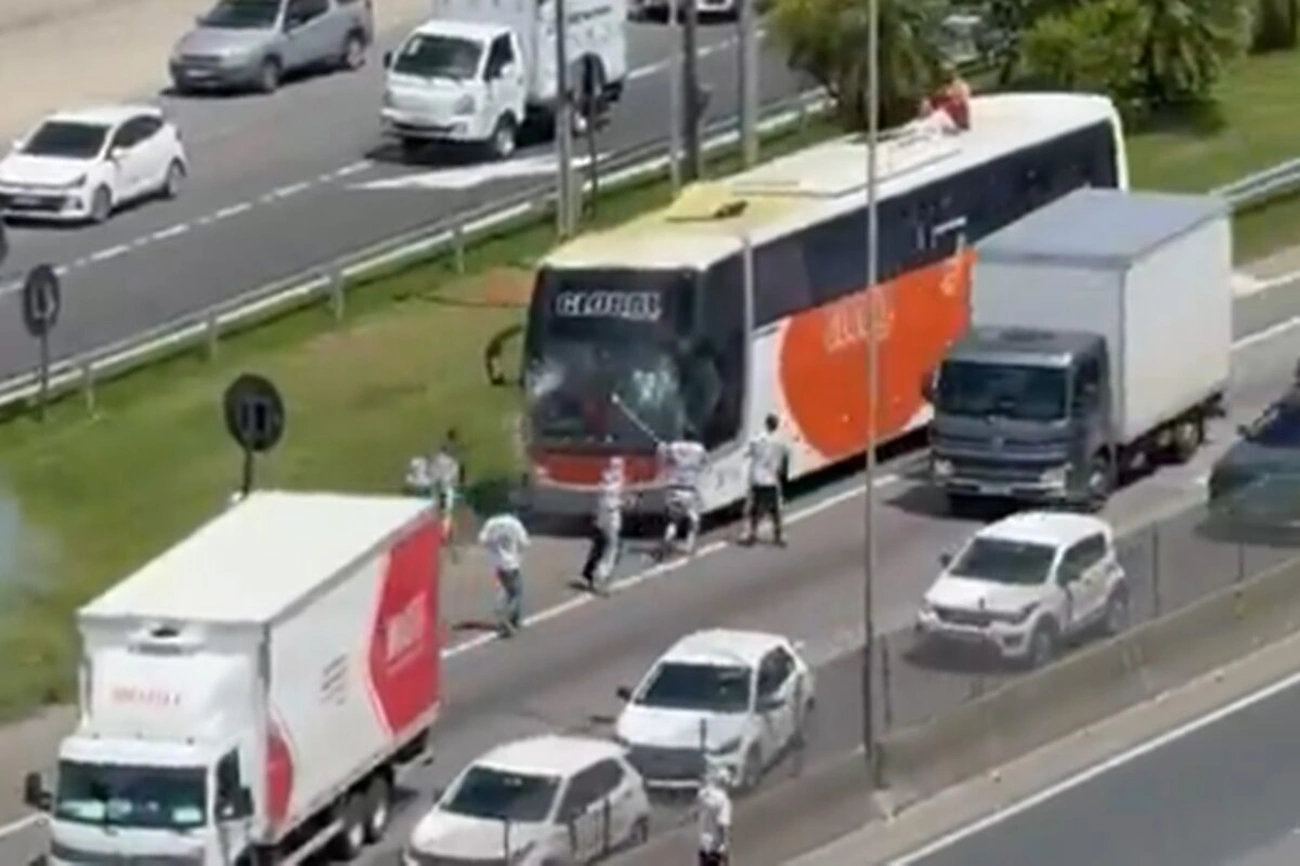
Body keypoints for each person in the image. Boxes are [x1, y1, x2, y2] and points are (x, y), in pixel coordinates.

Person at [477, 510, 530, 636]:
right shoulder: (515, 523)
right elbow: (525, 542)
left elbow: (482, 540)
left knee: (503, 590)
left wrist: (494, 548)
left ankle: (508, 617)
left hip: (498, 563)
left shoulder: (492, 522)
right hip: (512, 563)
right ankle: (509, 619)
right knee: (516, 593)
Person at [741, 414, 789, 547]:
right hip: (772, 479)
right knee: (776, 510)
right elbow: (785, 460)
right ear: (776, 425)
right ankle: (780, 535)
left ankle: (751, 535)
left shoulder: (757, 440)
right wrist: (783, 476)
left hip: (757, 478)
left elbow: (747, 454)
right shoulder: (781, 442)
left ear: (766, 424)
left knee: (754, 508)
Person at [581, 457, 626, 593]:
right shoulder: (618, 481)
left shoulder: (604, 480)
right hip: (612, 517)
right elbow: (619, 498)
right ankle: (599, 576)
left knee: (599, 545)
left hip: (601, 516)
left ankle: (590, 572)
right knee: (612, 548)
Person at [658, 435, 708, 556]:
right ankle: (689, 546)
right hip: (689, 490)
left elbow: (662, 455)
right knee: (694, 520)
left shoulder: (674, 446)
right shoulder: (699, 448)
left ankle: (667, 539)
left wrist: (662, 448)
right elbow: (705, 462)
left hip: (673, 489)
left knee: (674, 520)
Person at [430, 429, 465, 554]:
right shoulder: (452, 462)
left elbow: (433, 475)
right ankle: (444, 534)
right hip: (447, 488)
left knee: (441, 512)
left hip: (440, 488)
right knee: (447, 513)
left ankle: (442, 533)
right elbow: (456, 476)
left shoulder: (438, 460)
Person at [696, 764, 733, 866]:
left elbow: (697, 810)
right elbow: (724, 826)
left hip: (704, 843)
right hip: (716, 846)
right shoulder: (724, 801)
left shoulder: (704, 794)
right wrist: (725, 845)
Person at [920, 61, 972, 131]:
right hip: (944, 110)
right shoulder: (941, 85)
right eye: (945, 72)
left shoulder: (959, 84)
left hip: (954, 109)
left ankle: (956, 123)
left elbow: (963, 97)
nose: (947, 74)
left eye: (949, 72)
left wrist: (949, 95)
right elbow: (934, 96)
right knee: (928, 103)